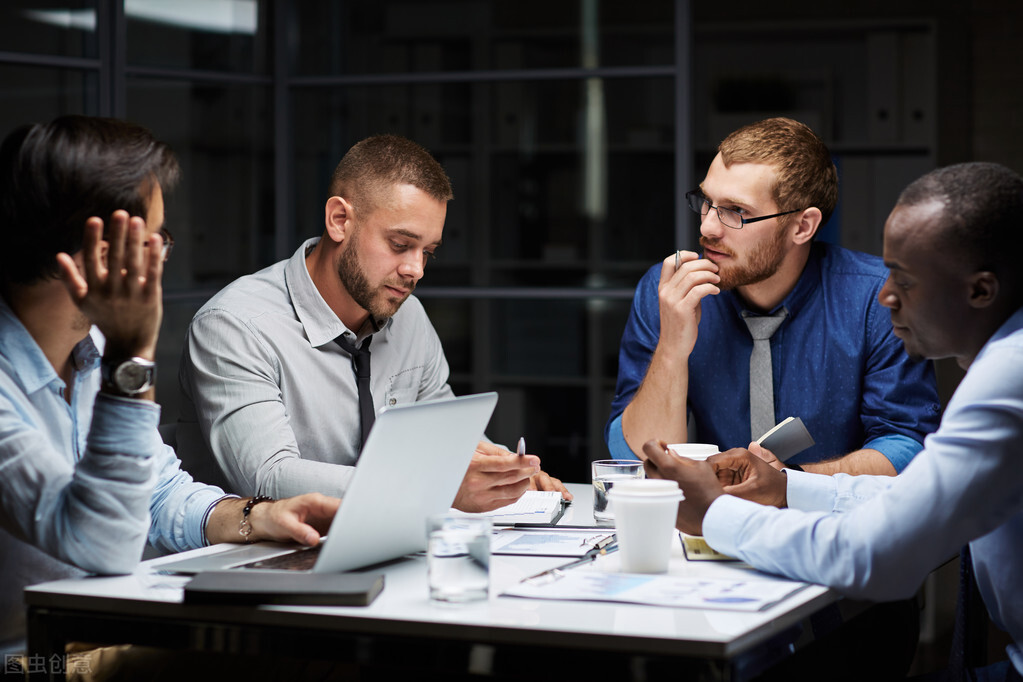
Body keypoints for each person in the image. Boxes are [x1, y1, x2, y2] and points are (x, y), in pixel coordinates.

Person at [642, 162, 1023, 681]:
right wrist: (788, 488)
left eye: (905, 281)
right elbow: (914, 500)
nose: (885, 295)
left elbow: (873, 559)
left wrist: (713, 514)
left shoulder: (1006, 381)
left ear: (981, 291)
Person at [0, 116, 339, 656]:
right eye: (156, 238)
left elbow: (157, 492)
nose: (162, 254)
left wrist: (258, 517)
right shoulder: (89, 364)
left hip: (107, 634)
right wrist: (131, 357)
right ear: (103, 252)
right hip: (37, 659)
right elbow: (103, 543)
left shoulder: (88, 353)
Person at [177, 134, 570, 512]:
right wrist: (434, 485)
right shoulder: (234, 325)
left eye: (427, 252)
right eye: (400, 245)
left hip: (383, 548)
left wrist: (504, 474)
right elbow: (267, 479)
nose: (415, 271)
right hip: (254, 565)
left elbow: (447, 433)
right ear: (338, 220)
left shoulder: (406, 312)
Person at [607, 117, 940, 475]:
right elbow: (634, 454)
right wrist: (672, 347)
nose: (706, 227)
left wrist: (788, 485)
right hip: (709, 525)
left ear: (802, 226)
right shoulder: (671, 289)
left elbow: (907, 445)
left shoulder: (875, 298)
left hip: (835, 521)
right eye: (706, 201)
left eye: (736, 211)